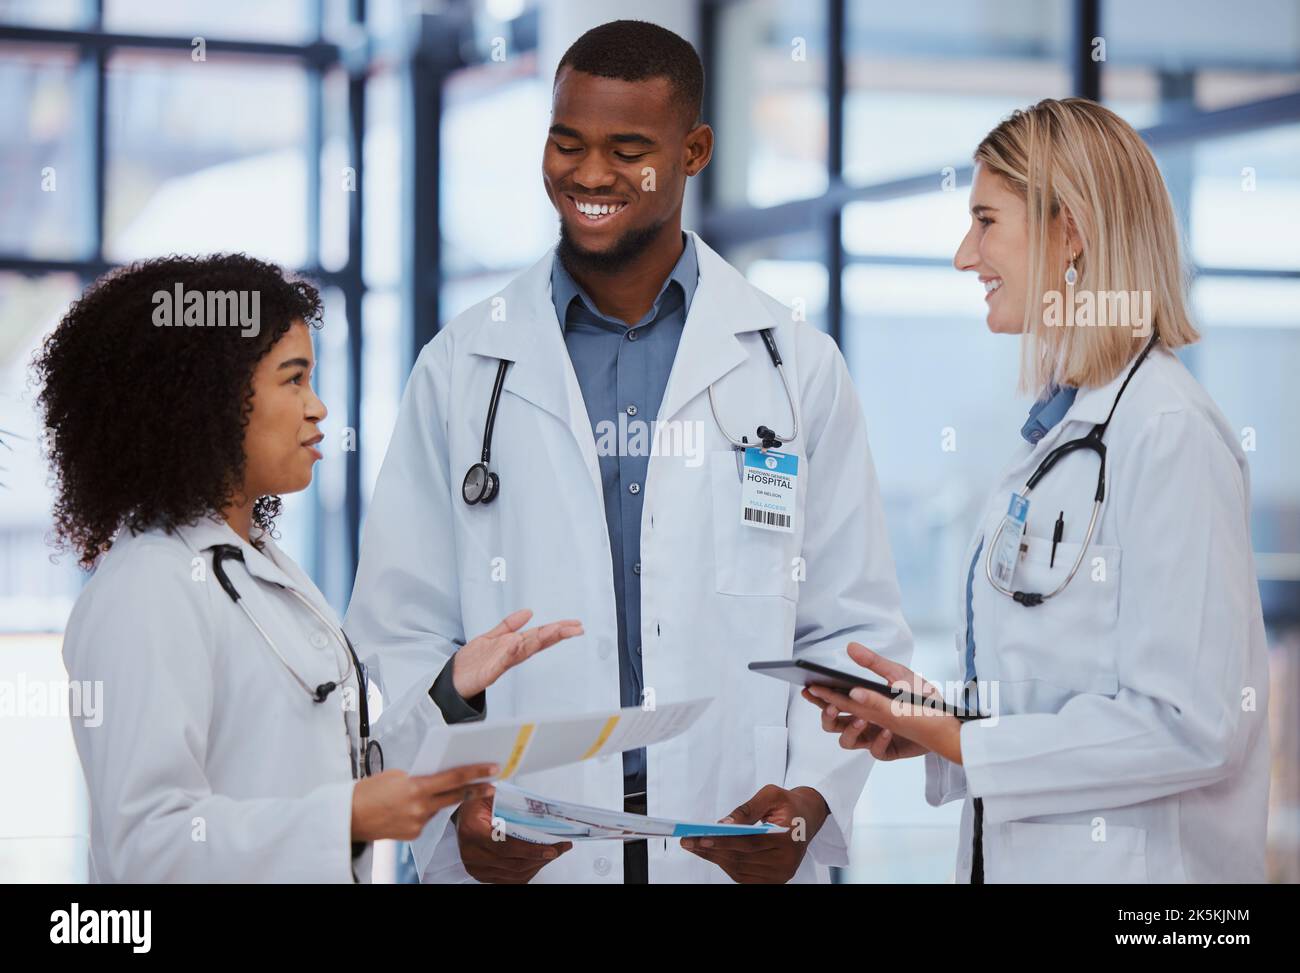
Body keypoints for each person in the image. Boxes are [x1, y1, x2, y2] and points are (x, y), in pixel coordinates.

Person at [345, 20, 912, 884]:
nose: (589, 175)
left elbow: (849, 625)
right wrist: (448, 803)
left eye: (627, 148)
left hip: (725, 842)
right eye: (566, 143)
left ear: (695, 150)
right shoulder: (463, 365)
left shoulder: (795, 366)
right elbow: (399, 627)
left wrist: (811, 801)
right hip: (525, 845)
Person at [804, 98, 1270, 883]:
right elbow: (1065, 690)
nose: (964, 254)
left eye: (986, 220)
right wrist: (939, 726)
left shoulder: (1167, 431)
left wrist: (962, 738)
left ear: (1071, 233)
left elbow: (1194, 724)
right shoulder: (1065, 431)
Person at [36, 254, 582, 882]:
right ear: (207, 399)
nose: (318, 408)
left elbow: (331, 770)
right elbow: (150, 845)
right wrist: (343, 817)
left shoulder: (259, 570)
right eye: (293, 380)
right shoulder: (149, 588)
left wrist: (448, 693)